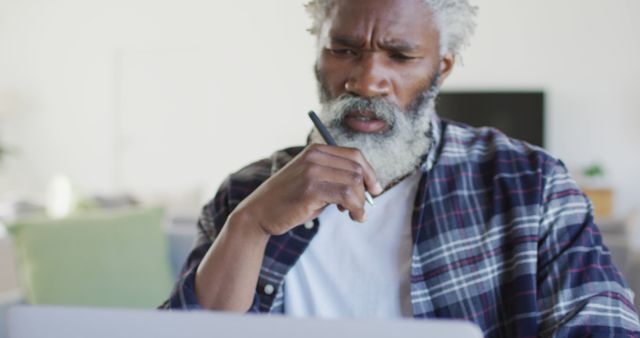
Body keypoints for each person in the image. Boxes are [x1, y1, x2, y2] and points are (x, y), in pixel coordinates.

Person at [161, 0, 640, 336]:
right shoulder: (245, 193)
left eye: (401, 55)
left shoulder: (532, 188)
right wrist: (249, 225)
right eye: (344, 50)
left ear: (442, 68)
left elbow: (603, 326)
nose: (368, 80)